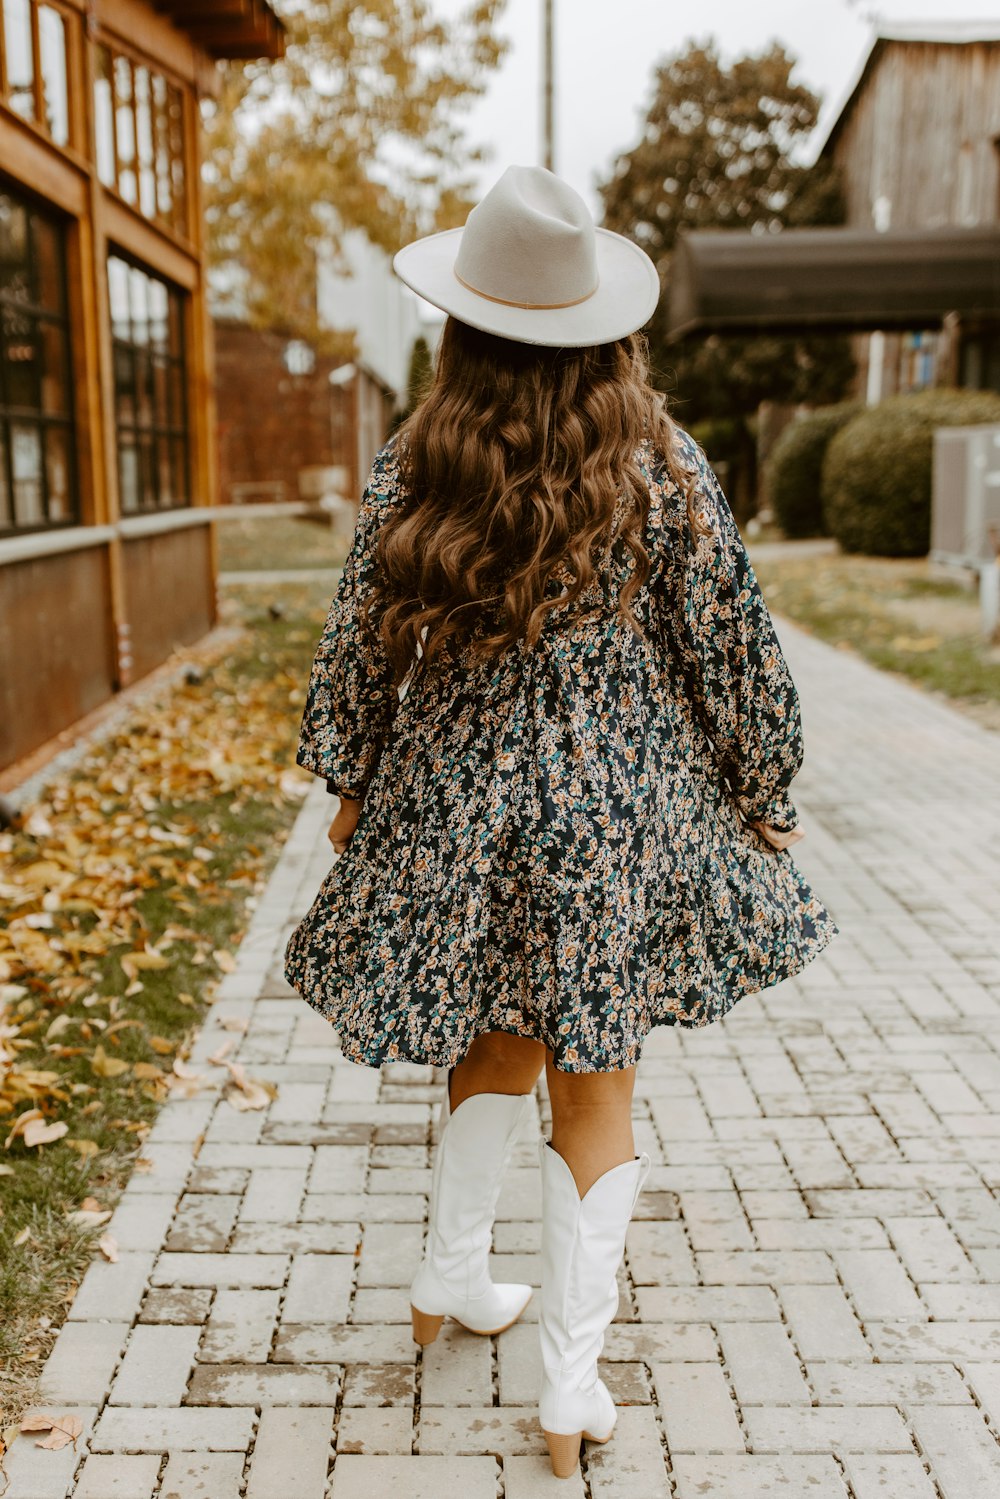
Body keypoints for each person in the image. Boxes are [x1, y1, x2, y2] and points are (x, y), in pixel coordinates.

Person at [284, 163, 840, 1479]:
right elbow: (733, 644)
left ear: (464, 325)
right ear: (608, 328)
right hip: (613, 822)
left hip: (463, 808)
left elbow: (360, 645)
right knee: (597, 1094)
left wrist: (354, 786)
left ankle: (446, 1278)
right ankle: (564, 1392)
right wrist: (765, 788)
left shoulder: (422, 456)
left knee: (494, 1043)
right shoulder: (658, 461)